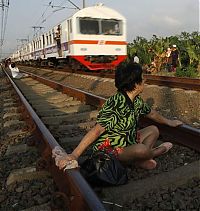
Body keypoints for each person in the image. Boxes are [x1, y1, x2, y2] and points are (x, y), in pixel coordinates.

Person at [53, 63, 183, 170]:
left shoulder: (136, 101)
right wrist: (75, 155)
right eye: (142, 79)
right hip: (111, 148)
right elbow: (97, 130)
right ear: (136, 84)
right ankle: (156, 152)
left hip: (128, 142)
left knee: (154, 129)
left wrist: (169, 122)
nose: (145, 80)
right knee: (141, 149)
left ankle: (138, 160)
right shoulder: (116, 103)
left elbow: (152, 114)